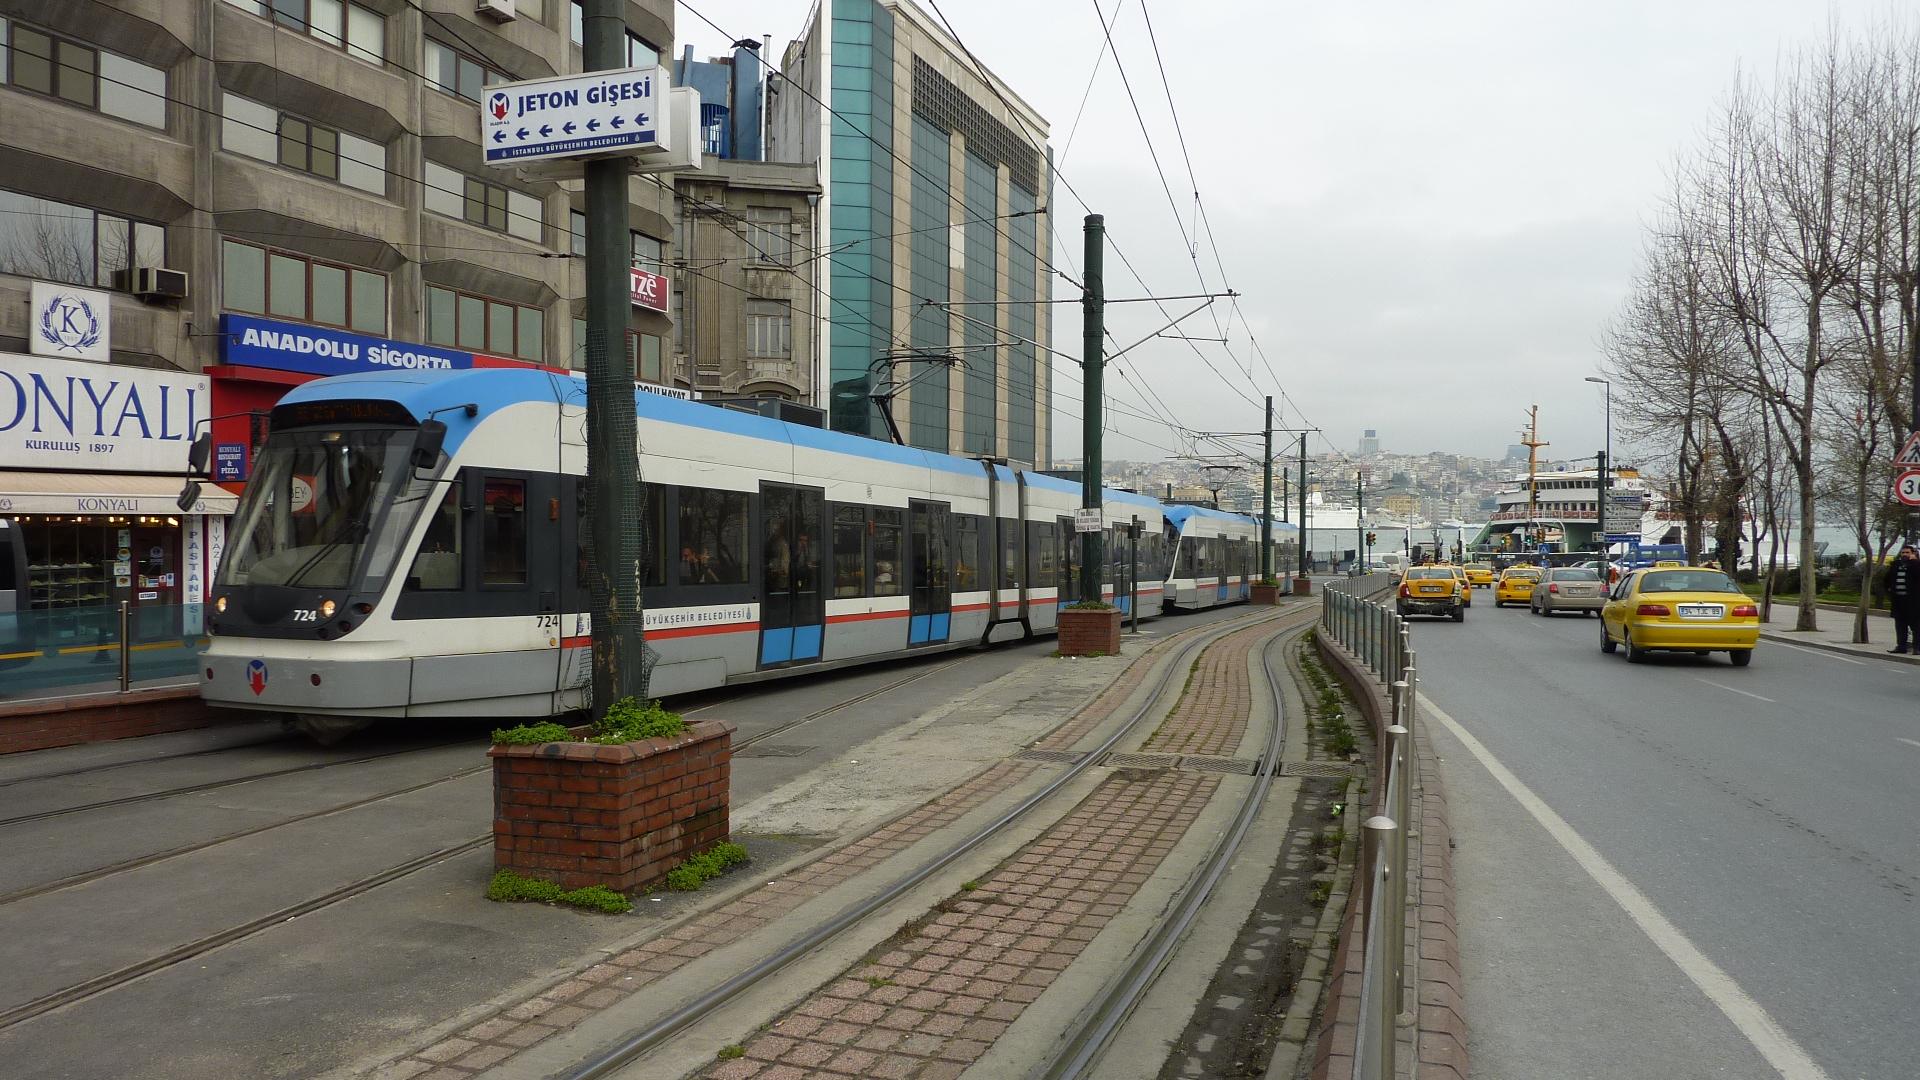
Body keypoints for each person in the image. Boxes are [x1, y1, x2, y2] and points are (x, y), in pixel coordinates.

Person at [1884, 544, 1919, 654]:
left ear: (1913, 554)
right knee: (1900, 625)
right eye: (1903, 553)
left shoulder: (1916, 565)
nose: (1905, 555)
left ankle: (1917, 648)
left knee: (1916, 626)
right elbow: (1886, 580)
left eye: (1907, 552)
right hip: (1898, 601)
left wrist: (1914, 562)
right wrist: (1889, 592)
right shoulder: (1896, 565)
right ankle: (1901, 646)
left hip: (1913, 602)